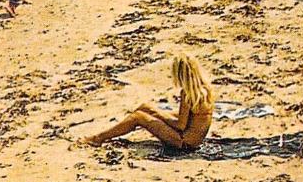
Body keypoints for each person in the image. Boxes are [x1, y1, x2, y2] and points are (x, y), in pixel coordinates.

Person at [83, 55, 213, 150]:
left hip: (183, 142)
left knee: (138, 117)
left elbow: (180, 125)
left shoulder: (187, 94)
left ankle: (98, 138)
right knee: (146, 108)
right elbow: (192, 118)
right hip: (191, 139)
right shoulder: (205, 89)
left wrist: (158, 116)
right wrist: (157, 114)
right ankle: (119, 128)